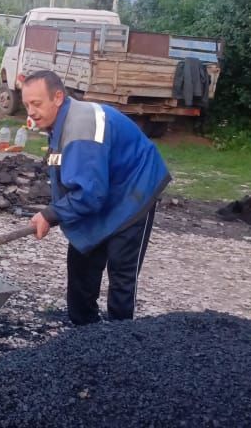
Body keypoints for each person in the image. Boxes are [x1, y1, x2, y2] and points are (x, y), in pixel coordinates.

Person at [21, 70, 170, 327]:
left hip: (134, 189)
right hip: (102, 186)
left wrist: (50, 214)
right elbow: (74, 179)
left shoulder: (81, 130)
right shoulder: (58, 121)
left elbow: (90, 195)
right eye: (26, 104)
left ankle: (118, 336)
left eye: (36, 103)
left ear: (58, 97)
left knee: (121, 271)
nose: (31, 111)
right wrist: (56, 211)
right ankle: (83, 329)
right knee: (82, 255)